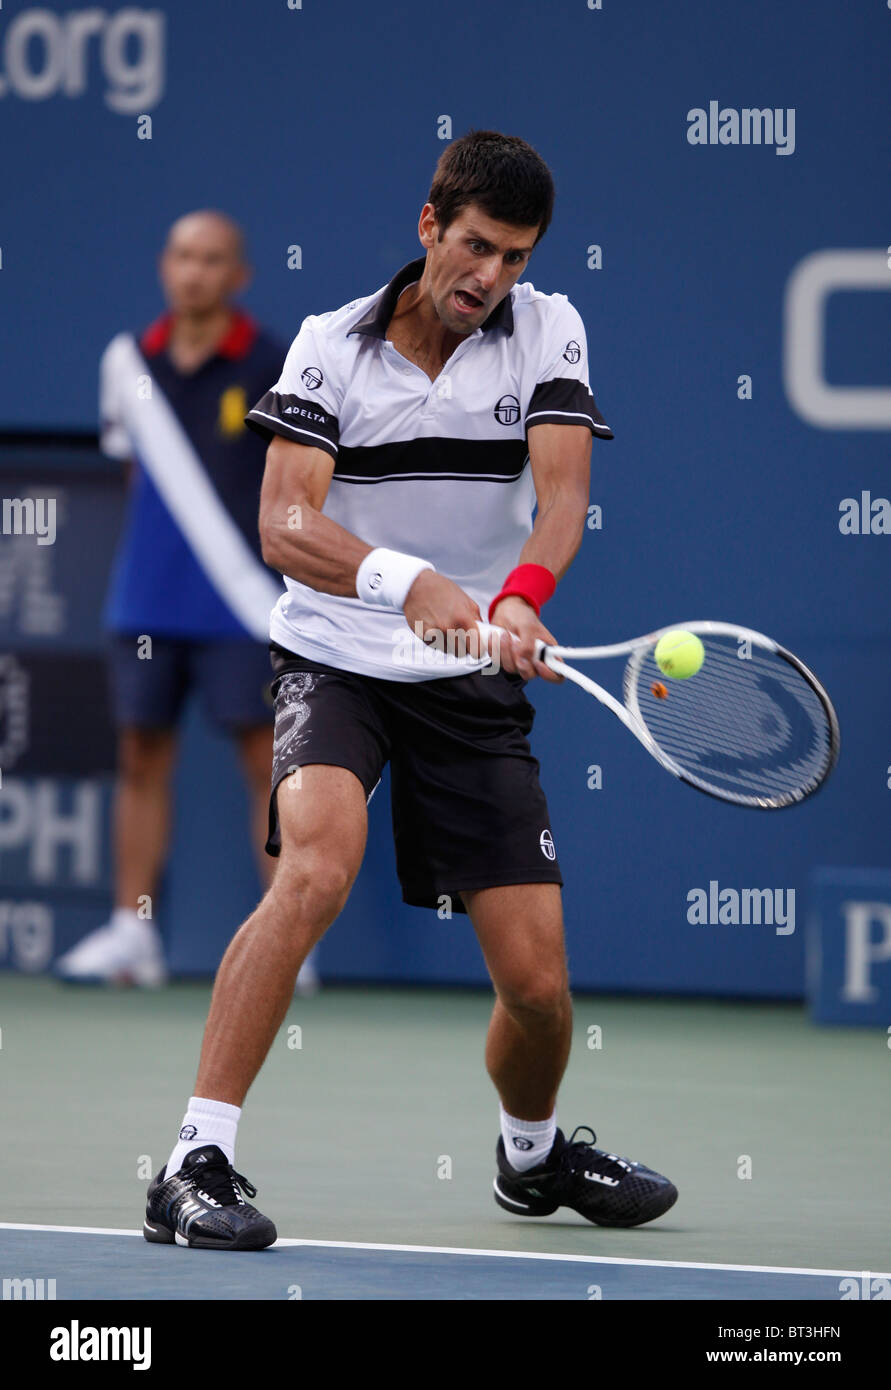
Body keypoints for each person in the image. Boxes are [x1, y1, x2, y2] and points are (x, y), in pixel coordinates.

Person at [142, 134, 677, 1251]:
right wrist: (405, 580)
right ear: (430, 225)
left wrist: (520, 598)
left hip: (471, 673)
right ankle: (195, 1161)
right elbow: (285, 524)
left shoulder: (550, 329)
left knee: (537, 986)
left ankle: (529, 1160)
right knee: (314, 871)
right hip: (334, 655)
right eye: (476, 245)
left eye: (515, 257)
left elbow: (563, 498)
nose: (491, 276)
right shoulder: (328, 349)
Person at [56, 210, 318, 995]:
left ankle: (285, 939)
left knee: (265, 766)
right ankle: (133, 935)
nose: (193, 272)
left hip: (245, 607)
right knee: (139, 759)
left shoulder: (275, 362)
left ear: (238, 276)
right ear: (165, 267)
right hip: (146, 601)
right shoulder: (125, 361)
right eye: (180, 256)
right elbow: (139, 473)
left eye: (211, 260)